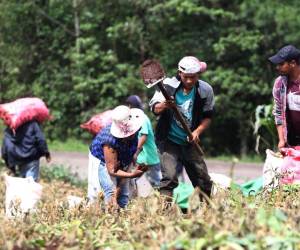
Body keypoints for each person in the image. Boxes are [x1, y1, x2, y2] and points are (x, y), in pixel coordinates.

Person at [149, 56, 214, 199]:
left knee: (203, 180)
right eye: (186, 77)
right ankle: (164, 214)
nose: (190, 81)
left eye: (193, 77)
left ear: (198, 75)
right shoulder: (168, 86)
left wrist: (197, 132)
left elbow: (207, 116)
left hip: (189, 141)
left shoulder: (205, 90)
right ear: (179, 73)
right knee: (169, 179)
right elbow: (154, 109)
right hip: (168, 141)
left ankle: (209, 212)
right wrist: (166, 104)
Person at [89, 105, 147, 208]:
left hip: (123, 158)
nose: (132, 134)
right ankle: (108, 216)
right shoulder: (110, 141)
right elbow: (112, 170)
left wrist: (134, 156)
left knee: (124, 194)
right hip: (102, 160)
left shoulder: (135, 129)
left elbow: (132, 151)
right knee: (110, 192)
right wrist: (132, 175)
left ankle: (122, 214)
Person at [125, 95, 162, 189]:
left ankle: (165, 202)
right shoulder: (136, 117)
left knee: (157, 183)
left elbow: (143, 135)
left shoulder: (141, 118)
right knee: (131, 180)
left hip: (148, 156)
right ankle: (131, 199)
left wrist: (136, 152)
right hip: (143, 157)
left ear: (130, 106)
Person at [269, 45, 300, 149]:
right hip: (292, 140)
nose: (278, 67)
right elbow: (278, 112)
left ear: (293, 63)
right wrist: (282, 139)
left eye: (281, 64)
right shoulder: (279, 83)